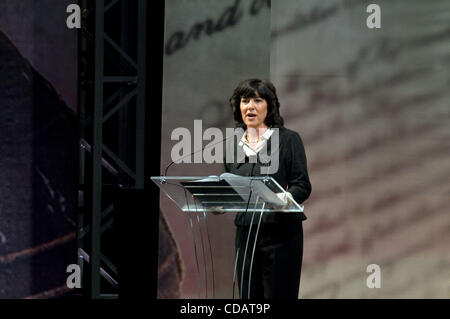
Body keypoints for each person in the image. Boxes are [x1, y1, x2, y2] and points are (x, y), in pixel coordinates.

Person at [223, 78, 312, 299]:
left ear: (269, 106)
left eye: (257, 100)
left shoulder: (288, 140)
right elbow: (231, 186)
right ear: (238, 106)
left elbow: (302, 185)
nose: (250, 106)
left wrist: (282, 198)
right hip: (246, 234)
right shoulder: (231, 144)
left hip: (280, 235)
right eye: (245, 101)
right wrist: (219, 201)